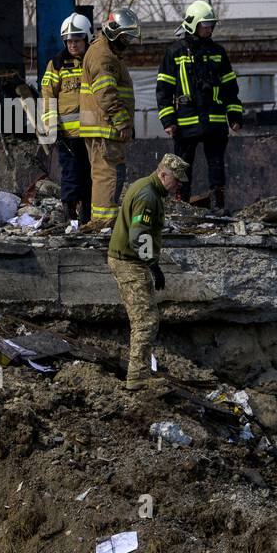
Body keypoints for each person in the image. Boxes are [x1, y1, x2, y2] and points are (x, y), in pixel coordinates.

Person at [107, 153, 190, 390]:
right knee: (146, 320)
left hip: (131, 260)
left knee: (144, 318)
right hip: (129, 262)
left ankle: (140, 372)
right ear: (163, 174)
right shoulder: (148, 195)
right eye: (176, 180)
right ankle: (137, 377)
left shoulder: (148, 188)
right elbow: (138, 236)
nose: (178, 185)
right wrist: (153, 264)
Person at [155, 0, 243, 210]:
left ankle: (218, 207)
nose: (209, 28)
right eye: (205, 25)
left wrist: (235, 116)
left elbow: (230, 87)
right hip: (185, 123)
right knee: (182, 167)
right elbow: (163, 89)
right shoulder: (174, 53)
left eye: (211, 25)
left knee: (216, 166)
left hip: (215, 121)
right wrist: (168, 120)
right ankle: (181, 206)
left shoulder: (218, 52)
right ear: (193, 24)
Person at [80, 7, 140, 229]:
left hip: (103, 125)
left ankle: (104, 219)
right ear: (114, 31)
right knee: (108, 173)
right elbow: (106, 93)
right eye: (126, 35)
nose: (129, 41)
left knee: (107, 172)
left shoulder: (107, 53)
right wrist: (122, 120)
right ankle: (105, 220)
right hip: (104, 126)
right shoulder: (102, 56)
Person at [40, 13, 93, 224]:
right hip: (68, 136)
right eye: (69, 41)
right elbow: (48, 95)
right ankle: (70, 216)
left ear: (87, 39)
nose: (72, 45)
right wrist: (52, 127)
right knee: (71, 177)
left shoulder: (94, 62)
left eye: (77, 41)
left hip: (93, 134)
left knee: (92, 177)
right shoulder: (57, 64)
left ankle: (88, 217)